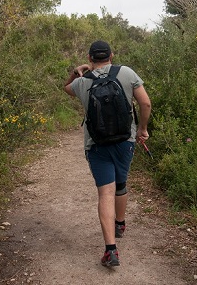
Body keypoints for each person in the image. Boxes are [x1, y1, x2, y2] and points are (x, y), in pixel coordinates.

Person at [63, 40, 151, 267]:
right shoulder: (127, 73)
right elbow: (145, 104)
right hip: (125, 141)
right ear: (111, 55)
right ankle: (120, 223)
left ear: (90, 58)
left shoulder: (83, 82)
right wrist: (142, 129)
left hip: (97, 144)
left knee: (105, 193)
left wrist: (77, 71)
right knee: (120, 183)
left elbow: (66, 89)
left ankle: (111, 251)